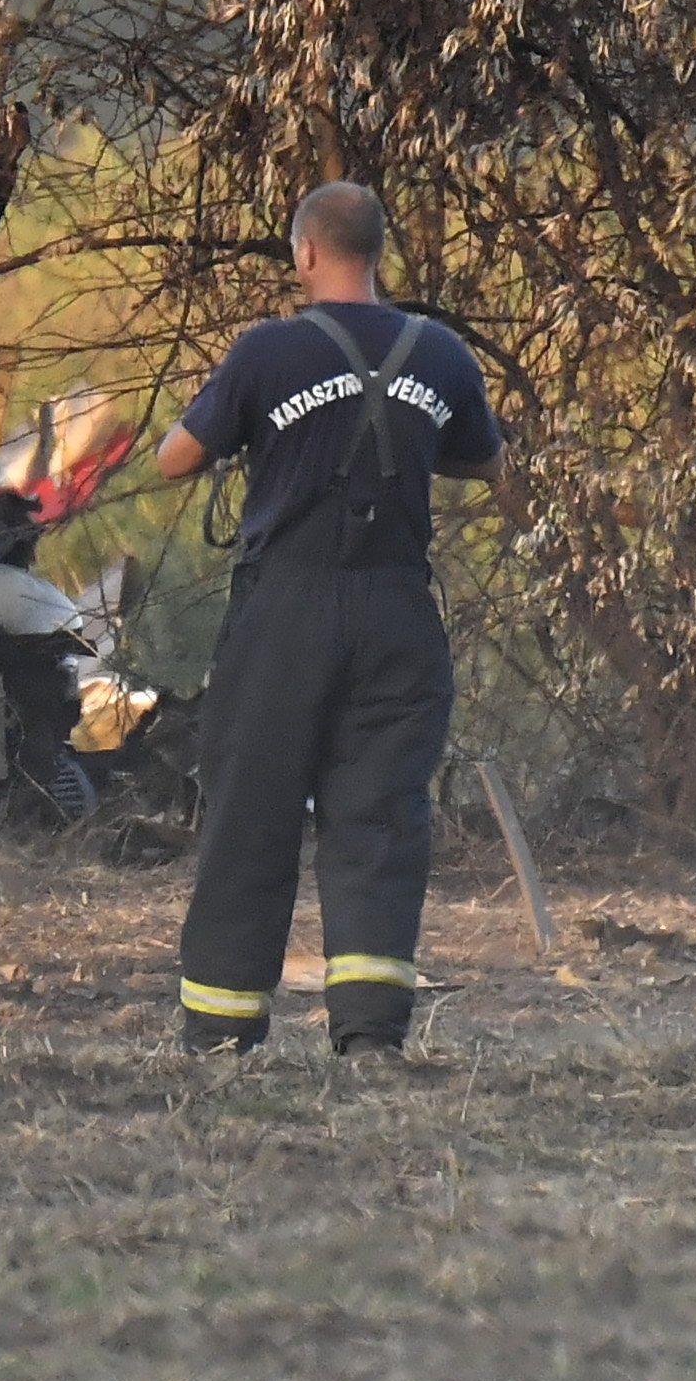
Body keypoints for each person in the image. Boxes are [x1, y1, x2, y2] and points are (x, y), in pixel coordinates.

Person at [150, 180, 507, 1059]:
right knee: (381, 818)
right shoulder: (444, 354)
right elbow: (491, 465)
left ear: (306, 252)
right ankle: (371, 1036)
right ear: (378, 253)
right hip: (397, 611)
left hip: (286, 613)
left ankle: (225, 1030)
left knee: (252, 811)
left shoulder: (267, 351)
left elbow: (174, 460)